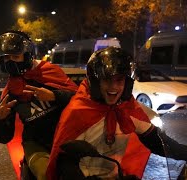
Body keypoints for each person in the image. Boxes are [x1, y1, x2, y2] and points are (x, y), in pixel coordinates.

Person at [46, 47, 187, 179]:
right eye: (107, 80)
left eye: (119, 80)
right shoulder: (79, 111)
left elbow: (160, 142)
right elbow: (64, 162)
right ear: (96, 82)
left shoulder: (127, 109)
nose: (113, 87)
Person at [0, 31, 78, 180]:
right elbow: (4, 137)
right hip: (36, 144)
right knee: (46, 174)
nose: (12, 62)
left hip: (66, 137)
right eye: (7, 58)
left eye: (16, 56)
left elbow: (80, 101)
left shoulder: (50, 71)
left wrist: (55, 96)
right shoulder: (11, 90)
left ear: (27, 54)